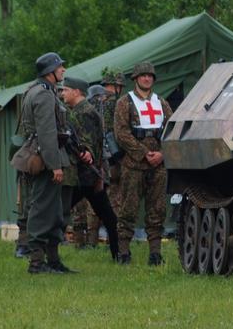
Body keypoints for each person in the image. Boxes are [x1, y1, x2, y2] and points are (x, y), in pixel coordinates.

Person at [20, 52, 74, 274]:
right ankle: (36, 262)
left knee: (54, 210)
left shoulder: (38, 90)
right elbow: (47, 133)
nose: (63, 69)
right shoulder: (43, 94)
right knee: (42, 209)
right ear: (49, 71)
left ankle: (52, 260)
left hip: (43, 154)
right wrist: (55, 165)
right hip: (45, 158)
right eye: (59, 66)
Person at [114, 61, 172, 266]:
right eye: (143, 75)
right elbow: (121, 133)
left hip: (158, 166)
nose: (147, 78)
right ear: (136, 79)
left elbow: (171, 130)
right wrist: (144, 153)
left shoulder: (162, 103)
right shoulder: (125, 102)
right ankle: (123, 252)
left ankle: (155, 254)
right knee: (128, 209)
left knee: (157, 210)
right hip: (133, 165)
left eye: (150, 76)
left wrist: (162, 154)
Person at [59, 77, 119, 261]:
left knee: (60, 213)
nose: (62, 93)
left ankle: (120, 253)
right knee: (106, 215)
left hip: (85, 175)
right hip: (85, 175)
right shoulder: (77, 110)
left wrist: (92, 164)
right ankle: (119, 254)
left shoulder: (84, 112)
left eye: (66, 90)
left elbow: (88, 144)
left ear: (77, 91)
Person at [86, 70, 125, 246]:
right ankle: (113, 240)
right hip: (113, 159)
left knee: (94, 200)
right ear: (117, 86)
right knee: (115, 199)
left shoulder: (89, 102)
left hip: (94, 158)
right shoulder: (117, 103)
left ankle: (91, 241)